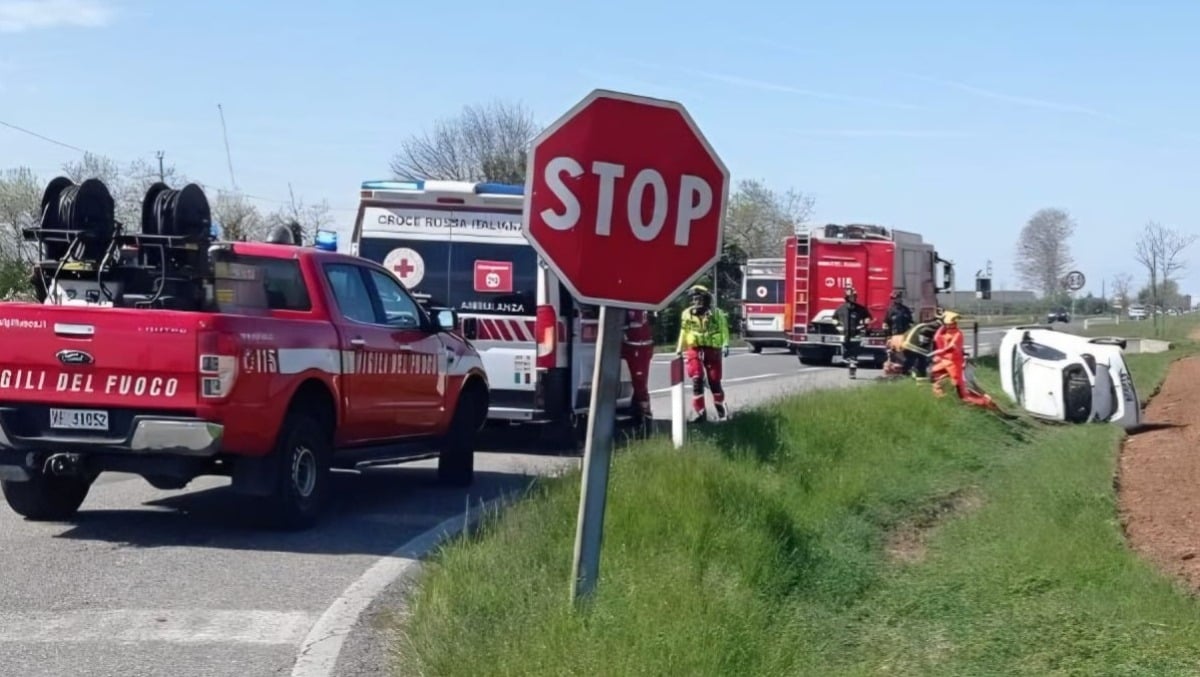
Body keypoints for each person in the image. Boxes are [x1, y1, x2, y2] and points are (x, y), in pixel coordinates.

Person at [675, 284, 730, 422]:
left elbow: (724, 329)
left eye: (699, 299)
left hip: (713, 348)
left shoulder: (716, 313)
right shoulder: (686, 314)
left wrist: (725, 344)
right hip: (694, 347)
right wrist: (679, 348)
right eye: (693, 299)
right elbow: (684, 331)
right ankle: (700, 413)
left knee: (714, 381)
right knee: (697, 378)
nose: (696, 302)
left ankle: (721, 411)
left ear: (706, 300)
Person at [622, 308, 655, 424]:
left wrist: (621, 321)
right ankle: (636, 410)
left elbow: (637, 322)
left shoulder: (636, 304)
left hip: (639, 346)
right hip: (626, 345)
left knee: (639, 382)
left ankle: (644, 416)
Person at [832, 287, 873, 378]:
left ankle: (852, 372)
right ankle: (849, 364)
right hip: (845, 334)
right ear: (846, 297)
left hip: (856, 334)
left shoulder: (860, 309)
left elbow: (868, 317)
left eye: (854, 296)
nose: (853, 298)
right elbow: (834, 318)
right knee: (846, 355)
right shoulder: (841, 309)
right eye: (851, 297)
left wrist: (865, 322)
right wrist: (838, 326)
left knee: (853, 356)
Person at [900, 312, 944, 380]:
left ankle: (905, 375)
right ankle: (921, 377)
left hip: (907, 344)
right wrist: (924, 342)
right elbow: (925, 332)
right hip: (915, 346)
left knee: (910, 361)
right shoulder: (937, 325)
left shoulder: (924, 324)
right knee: (923, 361)